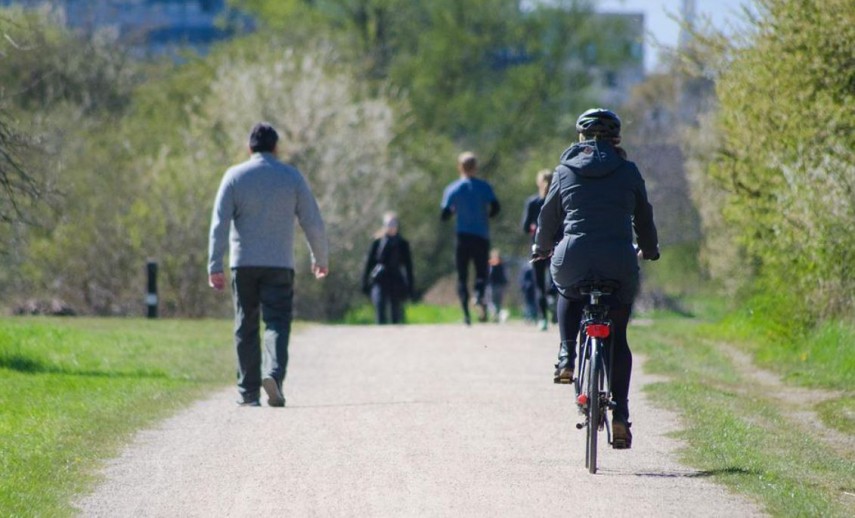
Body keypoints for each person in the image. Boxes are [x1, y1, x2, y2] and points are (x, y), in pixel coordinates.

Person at [533, 108, 659, 449]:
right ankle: (620, 415)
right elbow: (643, 218)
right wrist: (650, 249)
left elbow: (547, 218)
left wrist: (541, 248)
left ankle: (567, 355)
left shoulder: (564, 170)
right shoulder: (629, 171)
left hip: (573, 257)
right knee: (618, 336)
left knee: (567, 290)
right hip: (618, 261)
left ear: (581, 138)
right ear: (616, 139)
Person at [208, 122, 329, 408]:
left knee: (245, 324)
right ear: (276, 148)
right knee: (277, 322)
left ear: (249, 148)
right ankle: (273, 374)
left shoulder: (234, 176)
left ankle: (248, 393)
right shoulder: (291, 177)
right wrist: (320, 258)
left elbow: (219, 223)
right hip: (279, 264)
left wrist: (215, 265)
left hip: (244, 263)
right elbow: (312, 220)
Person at [440, 151, 500, 325]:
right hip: (481, 235)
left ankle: (466, 315)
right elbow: (496, 207)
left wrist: (454, 211)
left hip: (462, 237)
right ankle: (479, 294)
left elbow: (444, 215)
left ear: (459, 167)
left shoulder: (453, 189)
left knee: (462, 275)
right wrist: (485, 215)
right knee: (482, 272)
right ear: (475, 167)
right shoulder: (484, 187)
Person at [361, 211, 414, 325]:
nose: (391, 227)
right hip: (380, 279)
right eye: (388, 224)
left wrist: (410, 286)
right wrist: (364, 282)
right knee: (379, 305)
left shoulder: (402, 243)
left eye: (393, 224)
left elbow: (408, 266)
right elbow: (369, 263)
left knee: (396, 310)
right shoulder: (377, 242)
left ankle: (394, 336)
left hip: (396, 279)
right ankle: (381, 334)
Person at [521, 169, 555, 331]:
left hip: (537, 248)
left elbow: (525, 226)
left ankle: (543, 319)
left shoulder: (533, 202)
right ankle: (553, 299)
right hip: (556, 246)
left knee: (539, 284)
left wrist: (534, 228)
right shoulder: (558, 200)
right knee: (556, 279)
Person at [486, 249, 508, 323]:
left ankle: (495, 315)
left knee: (491, 301)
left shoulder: (490, 264)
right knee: (498, 302)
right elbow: (504, 275)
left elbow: (488, 275)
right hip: (500, 285)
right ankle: (497, 315)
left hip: (492, 285)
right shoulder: (502, 264)